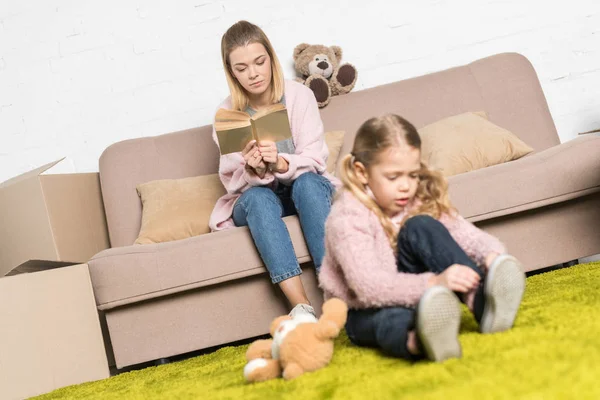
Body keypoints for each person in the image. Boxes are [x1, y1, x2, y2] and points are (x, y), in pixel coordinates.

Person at [318, 114, 526, 362]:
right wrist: (434, 284)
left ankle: (483, 304)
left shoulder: (414, 197)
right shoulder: (348, 215)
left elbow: (462, 232)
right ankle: (419, 338)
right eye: (394, 177)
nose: (406, 186)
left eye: (412, 175)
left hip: (420, 290)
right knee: (389, 318)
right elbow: (368, 287)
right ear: (362, 173)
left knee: (422, 224)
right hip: (363, 307)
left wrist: (490, 255)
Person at [208, 21, 340, 320]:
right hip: (259, 199)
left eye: (259, 62)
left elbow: (316, 159)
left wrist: (280, 163)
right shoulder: (226, 114)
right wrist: (252, 170)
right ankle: (301, 309)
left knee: (306, 183)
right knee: (257, 199)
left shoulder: (299, 96)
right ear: (231, 72)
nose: (253, 74)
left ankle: (335, 297)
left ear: (271, 58)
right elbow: (232, 183)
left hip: (304, 189)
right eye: (241, 68)